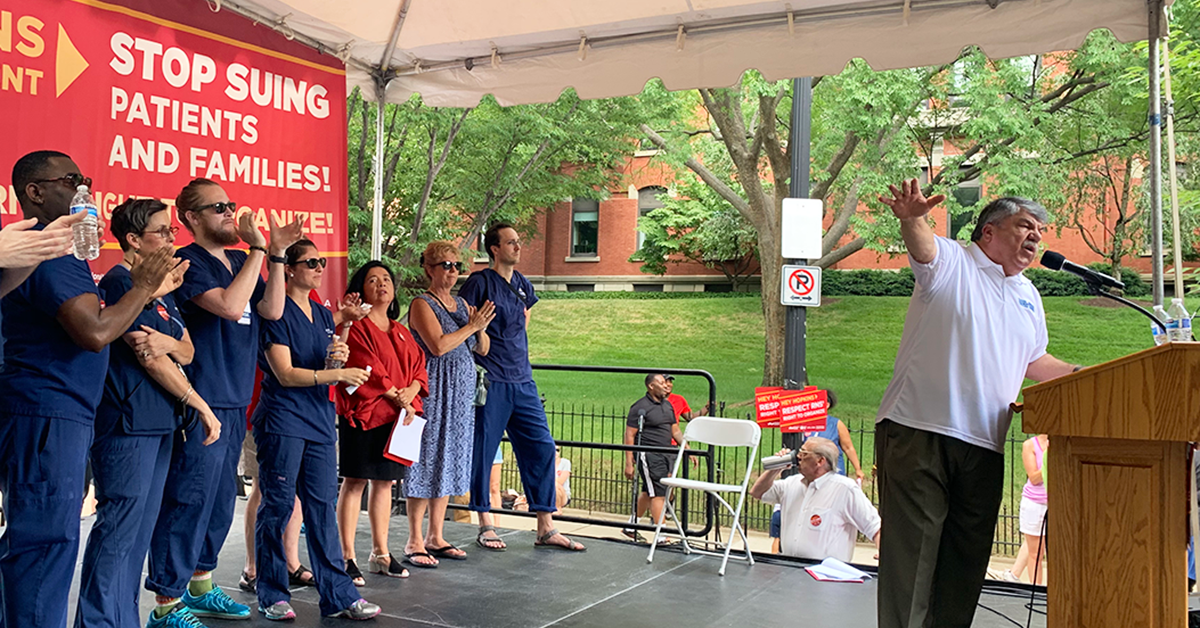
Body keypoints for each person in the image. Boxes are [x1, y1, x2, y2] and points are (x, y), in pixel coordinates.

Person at [874, 181, 1079, 628]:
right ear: (988, 232)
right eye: (1025, 226)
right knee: (913, 563)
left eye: (1040, 230)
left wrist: (1088, 377)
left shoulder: (1029, 295)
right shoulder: (953, 261)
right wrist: (912, 217)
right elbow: (923, 247)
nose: (1036, 237)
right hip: (919, 430)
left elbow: (1034, 361)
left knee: (963, 567)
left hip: (985, 443)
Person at [0, 151, 174, 628]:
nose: (84, 189)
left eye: (87, 179)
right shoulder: (47, 247)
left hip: (60, 412)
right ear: (35, 192)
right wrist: (142, 287)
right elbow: (94, 332)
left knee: (45, 543)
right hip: (46, 411)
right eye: (71, 180)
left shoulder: (56, 250)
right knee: (45, 544)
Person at [146, 178, 301, 626]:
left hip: (236, 396)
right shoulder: (188, 262)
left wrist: (271, 253)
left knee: (218, 501)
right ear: (192, 218)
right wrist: (257, 252)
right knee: (189, 497)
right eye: (218, 208)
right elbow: (233, 306)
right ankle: (166, 602)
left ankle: (201, 582)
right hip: (201, 397)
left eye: (231, 204)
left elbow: (271, 311)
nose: (230, 213)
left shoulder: (239, 258)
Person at [75, 199, 221, 628]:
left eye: (173, 231)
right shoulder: (124, 284)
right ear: (134, 240)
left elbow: (186, 350)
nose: (173, 239)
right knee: (119, 530)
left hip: (159, 423)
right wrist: (201, 405)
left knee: (139, 534)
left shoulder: (159, 291)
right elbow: (149, 357)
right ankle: (99, 621)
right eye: (163, 231)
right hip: (127, 425)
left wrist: (170, 344)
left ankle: (122, 619)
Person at [252, 239, 380, 621]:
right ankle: (272, 592)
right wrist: (338, 372)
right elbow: (286, 374)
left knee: (322, 509)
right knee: (276, 507)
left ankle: (338, 594)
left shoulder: (325, 315)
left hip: (319, 422)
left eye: (322, 262)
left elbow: (325, 358)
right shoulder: (275, 311)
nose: (320, 268)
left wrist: (340, 347)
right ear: (289, 268)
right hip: (284, 419)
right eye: (311, 262)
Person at [459, 223, 585, 552]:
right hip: (492, 380)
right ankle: (485, 522)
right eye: (511, 242)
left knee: (542, 448)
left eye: (518, 241)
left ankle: (545, 527)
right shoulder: (479, 282)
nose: (518, 246)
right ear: (494, 249)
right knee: (484, 451)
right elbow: (467, 324)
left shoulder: (522, 284)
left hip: (523, 379)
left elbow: (524, 317)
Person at [336, 261, 428, 582]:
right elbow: (364, 364)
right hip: (365, 415)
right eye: (372, 280)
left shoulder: (401, 330)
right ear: (361, 289)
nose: (381, 284)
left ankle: (381, 553)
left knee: (385, 484)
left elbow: (419, 368)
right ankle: (347, 556)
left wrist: (411, 392)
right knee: (355, 482)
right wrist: (395, 394)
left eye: (386, 279)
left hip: (396, 419)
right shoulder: (357, 326)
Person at [407, 241, 495, 567]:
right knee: (427, 458)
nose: (452, 271)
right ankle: (415, 538)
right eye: (445, 265)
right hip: (433, 391)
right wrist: (471, 326)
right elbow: (438, 346)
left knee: (450, 458)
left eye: (457, 266)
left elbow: (481, 348)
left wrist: (480, 328)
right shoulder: (422, 304)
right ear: (429, 269)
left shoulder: (461, 303)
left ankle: (436, 534)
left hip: (460, 397)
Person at [750, 438, 881, 562]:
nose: (798, 457)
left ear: (820, 461)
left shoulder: (845, 489)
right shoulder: (792, 483)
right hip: (789, 568)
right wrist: (775, 468)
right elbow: (757, 492)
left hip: (826, 575)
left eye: (804, 453)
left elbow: (875, 527)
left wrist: (884, 555)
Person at [238, 430, 312, 593]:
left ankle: (291, 564)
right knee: (263, 486)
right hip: (263, 420)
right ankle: (252, 569)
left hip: (297, 423)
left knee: (294, 488)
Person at [623, 373, 685, 542]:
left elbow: (675, 431)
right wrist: (629, 462)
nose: (666, 385)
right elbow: (629, 435)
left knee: (648, 491)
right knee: (659, 493)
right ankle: (661, 535)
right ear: (651, 386)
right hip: (649, 454)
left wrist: (686, 446)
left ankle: (631, 525)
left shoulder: (668, 406)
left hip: (667, 453)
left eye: (666, 383)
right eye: (661, 383)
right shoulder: (640, 407)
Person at [1008, 433, 1049, 585]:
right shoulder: (1030, 445)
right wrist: (1048, 459)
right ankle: (1036, 589)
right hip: (1035, 503)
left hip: (1055, 502)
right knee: (1035, 553)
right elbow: (1034, 477)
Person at [800, 389, 865, 483]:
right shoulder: (804, 423)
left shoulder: (836, 424)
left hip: (833, 471)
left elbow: (848, 447)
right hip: (811, 471)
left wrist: (857, 469)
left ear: (826, 405)